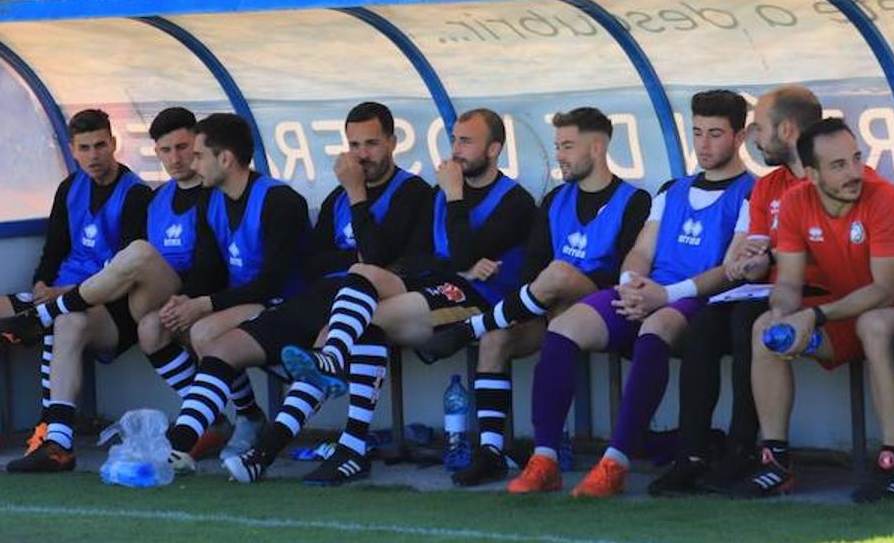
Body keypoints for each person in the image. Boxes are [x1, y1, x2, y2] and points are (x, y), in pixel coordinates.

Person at [508, 90, 755, 498]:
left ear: (740, 137)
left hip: (697, 300)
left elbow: (729, 271)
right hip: (647, 292)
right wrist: (630, 284)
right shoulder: (671, 190)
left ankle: (615, 462)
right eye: (697, 133)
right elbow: (641, 250)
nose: (704, 144)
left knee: (655, 327)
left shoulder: (751, 192)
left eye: (715, 134)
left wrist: (664, 294)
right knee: (564, 328)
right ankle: (545, 457)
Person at [273, 109, 537, 486]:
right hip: (439, 287)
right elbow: (421, 256)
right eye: (455, 139)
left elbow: (463, 253)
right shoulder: (439, 193)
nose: (456, 150)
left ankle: (349, 442)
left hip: (481, 303)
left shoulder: (515, 201)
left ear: (494, 149)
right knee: (361, 276)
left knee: (367, 318)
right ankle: (342, 413)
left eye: (467, 141)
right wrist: (454, 263)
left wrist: (456, 199)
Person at [414, 108, 652, 487]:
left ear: (597, 147)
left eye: (568, 146)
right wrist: (553, 298)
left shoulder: (635, 200)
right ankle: (492, 450)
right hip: (550, 312)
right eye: (557, 146)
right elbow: (530, 272)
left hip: (607, 311)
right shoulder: (554, 199)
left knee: (559, 273)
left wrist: (563, 287)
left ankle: (469, 328)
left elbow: (621, 275)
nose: (559, 154)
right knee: (498, 336)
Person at [0, 109, 223, 471]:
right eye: (166, 150)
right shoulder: (159, 198)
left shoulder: (209, 194)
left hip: (189, 297)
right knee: (70, 323)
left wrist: (195, 298)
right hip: (139, 301)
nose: (176, 158)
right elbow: (56, 247)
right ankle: (59, 442)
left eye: (184, 148)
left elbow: (220, 263)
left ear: (201, 146)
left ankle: (44, 314)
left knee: (140, 255)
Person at [203, 102, 431, 477]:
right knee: (222, 347)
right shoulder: (336, 198)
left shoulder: (413, 192)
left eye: (371, 143)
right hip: (317, 297)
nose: (361, 155)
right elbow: (313, 261)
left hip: (367, 305)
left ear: (392, 142)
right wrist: (352, 255)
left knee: (326, 345)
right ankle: (178, 443)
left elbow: (376, 261)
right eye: (353, 145)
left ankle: (263, 454)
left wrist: (358, 195)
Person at [0, 110, 152, 460]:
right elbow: (53, 249)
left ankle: (49, 427)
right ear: (72, 149)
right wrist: (42, 283)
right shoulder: (69, 188)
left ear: (114, 144)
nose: (93, 155)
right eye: (85, 147)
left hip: (100, 305)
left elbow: (124, 271)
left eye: (100, 145)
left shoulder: (136, 193)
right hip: (55, 296)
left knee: (56, 321)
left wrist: (61, 296)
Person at [649, 85, 825, 497]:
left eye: (758, 129)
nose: (755, 139)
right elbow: (757, 250)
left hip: (814, 293)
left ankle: (743, 449)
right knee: (704, 325)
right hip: (768, 289)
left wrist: (767, 261)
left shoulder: (828, 179)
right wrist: (748, 262)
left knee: (749, 321)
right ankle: (691, 454)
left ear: (786, 129)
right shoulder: (768, 187)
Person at [743, 118, 894, 503]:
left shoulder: (886, 199)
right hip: (840, 315)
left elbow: (886, 290)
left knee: (873, 325)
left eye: (856, 159)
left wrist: (815, 316)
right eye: (839, 165)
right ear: (810, 174)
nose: (854, 172)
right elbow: (788, 282)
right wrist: (782, 313)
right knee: (764, 330)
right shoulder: (794, 201)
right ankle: (776, 462)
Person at [153, 114, 310, 475]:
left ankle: (230, 423)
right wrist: (186, 300)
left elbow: (273, 282)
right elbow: (209, 270)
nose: (192, 164)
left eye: (198, 155)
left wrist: (204, 305)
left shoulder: (280, 200)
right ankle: (247, 418)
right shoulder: (211, 201)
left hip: (289, 307)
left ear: (225, 159)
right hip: (246, 303)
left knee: (204, 330)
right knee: (179, 324)